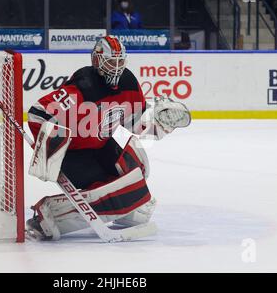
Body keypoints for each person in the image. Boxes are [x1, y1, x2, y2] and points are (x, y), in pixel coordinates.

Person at [25, 36, 191, 241]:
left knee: (138, 181)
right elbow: (38, 114)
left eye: (121, 61)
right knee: (110, 194)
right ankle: (48, 213)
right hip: (73, 154)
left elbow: (134, 123)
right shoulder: (82, 87)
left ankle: (124, 209)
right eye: (112, 61)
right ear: (97, 60)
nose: (117, 67)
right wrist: (48, 150)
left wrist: (159, 126)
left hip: (102, 146)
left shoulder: (129, 82)